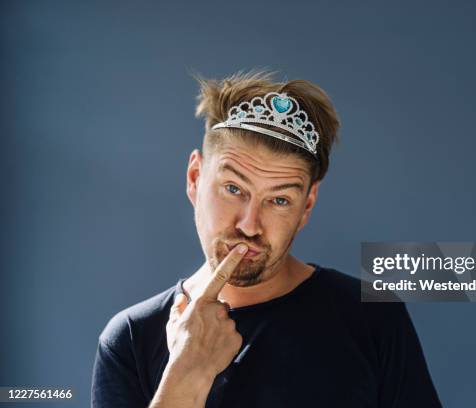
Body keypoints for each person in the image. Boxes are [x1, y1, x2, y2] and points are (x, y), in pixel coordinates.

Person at [91, 70, 442, 407]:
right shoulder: (132, 338)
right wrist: (187, 375)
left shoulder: (373, 318)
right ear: (195, 177)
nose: (250, 225)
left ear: (306, 205)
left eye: (279, 200)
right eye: (233, 188)